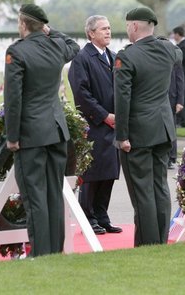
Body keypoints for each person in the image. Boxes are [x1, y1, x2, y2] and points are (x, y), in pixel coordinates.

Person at [4, 4, 80, 257]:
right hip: (56, 130)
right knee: (53, 194)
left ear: (24, 24)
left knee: (35, 195)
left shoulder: (17, 52)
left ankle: (40, 253)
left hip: (31, 134)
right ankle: (55, 251)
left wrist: (12, 137)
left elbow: (14, 99)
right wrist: (51, 30)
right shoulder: (56, 46)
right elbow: (74, 46)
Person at [114, 7, 182, 247]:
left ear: (133, 26)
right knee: (160, 187)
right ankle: (160, 239)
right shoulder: (167, 50)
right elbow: (178, 54)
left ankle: (147, 243)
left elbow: (122, 100)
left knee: (142, 191)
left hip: (138, 132)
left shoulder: (127, 56)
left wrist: (121, 136)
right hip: (163, 128)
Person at [68, 15, 122, 235]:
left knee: (109, 173)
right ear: (91, 33)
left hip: (114, 123)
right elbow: (81, 94)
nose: (108, 32)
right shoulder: (82, 58)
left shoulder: (114, 56)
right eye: (103, 29)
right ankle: (88, 217)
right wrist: (104, 115)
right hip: (95, 124)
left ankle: (102, 216)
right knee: (92, 173)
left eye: (109, 28)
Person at [168, 60, 185, 169]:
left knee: (171, 128)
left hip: (171, 98)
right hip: (159, 98)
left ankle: (171, 157)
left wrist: (180, 101)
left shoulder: (174, 53)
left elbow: (180, 78)